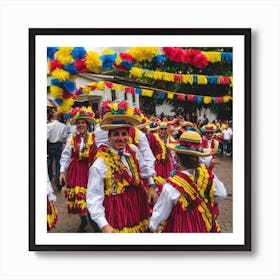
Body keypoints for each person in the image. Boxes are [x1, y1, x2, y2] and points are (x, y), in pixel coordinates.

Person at [86, 101, 157, 233]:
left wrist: (151, 186)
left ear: (128, 136)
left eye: (124, 134)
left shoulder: (133, 150)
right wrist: (103, 224)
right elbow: (93, 197)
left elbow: (144, 169)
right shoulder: (99, 164)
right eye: (116, 134)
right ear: (109, 137)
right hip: (117, 211)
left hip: (138, 204)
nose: (120, 138)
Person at [149, 130, 221, 233]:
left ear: (177, 156)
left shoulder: (172, 186)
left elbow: (160, 213)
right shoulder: (208, 175)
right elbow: (221, 194)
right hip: (204, 223)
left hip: (181, 227)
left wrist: (152, 226)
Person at [59, 106, 98, 232]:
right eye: (79, 123)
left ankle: (94, 221)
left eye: (83, 123)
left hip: (89, 170)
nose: (81, 125)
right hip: (75, 170)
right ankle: (83, 220)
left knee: (90, 196)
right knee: (77, 197)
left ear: (87, 125)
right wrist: (61, 172)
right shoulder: (72, 139)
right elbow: (65, 156)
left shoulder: (93, 137)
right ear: (76, 125)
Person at [47, 111, 69, 191]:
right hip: (58, 145)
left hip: (50, 145)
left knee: (49, 164)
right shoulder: (64, 126)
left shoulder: (49, 125)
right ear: (60, 118)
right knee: (58, 164)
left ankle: (48, 180)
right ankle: (58, 183)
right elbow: (64, 137)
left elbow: (46, 136)